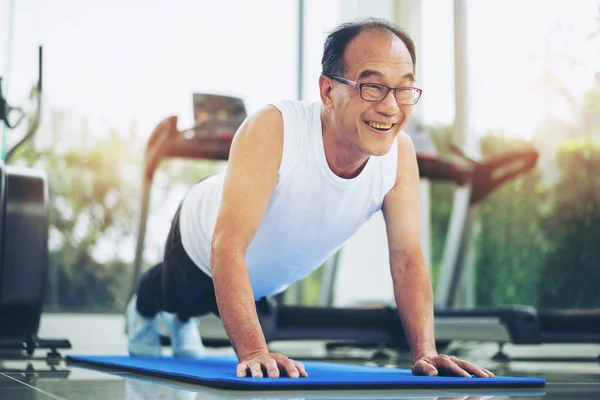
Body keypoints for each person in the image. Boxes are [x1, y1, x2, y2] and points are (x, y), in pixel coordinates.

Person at [126, 18, 495, 380]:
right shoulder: (274, 127)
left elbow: (407, 260)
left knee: (244, 312)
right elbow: (227, 245)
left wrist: (426, 353)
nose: (391, 107)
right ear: (327, 91)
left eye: (404, 90)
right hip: (198, 237)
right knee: (177, 295)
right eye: (372, 87)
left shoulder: (400, 156)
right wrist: (255, 351)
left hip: (261, 278)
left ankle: (182, 321)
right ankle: (143, 309)